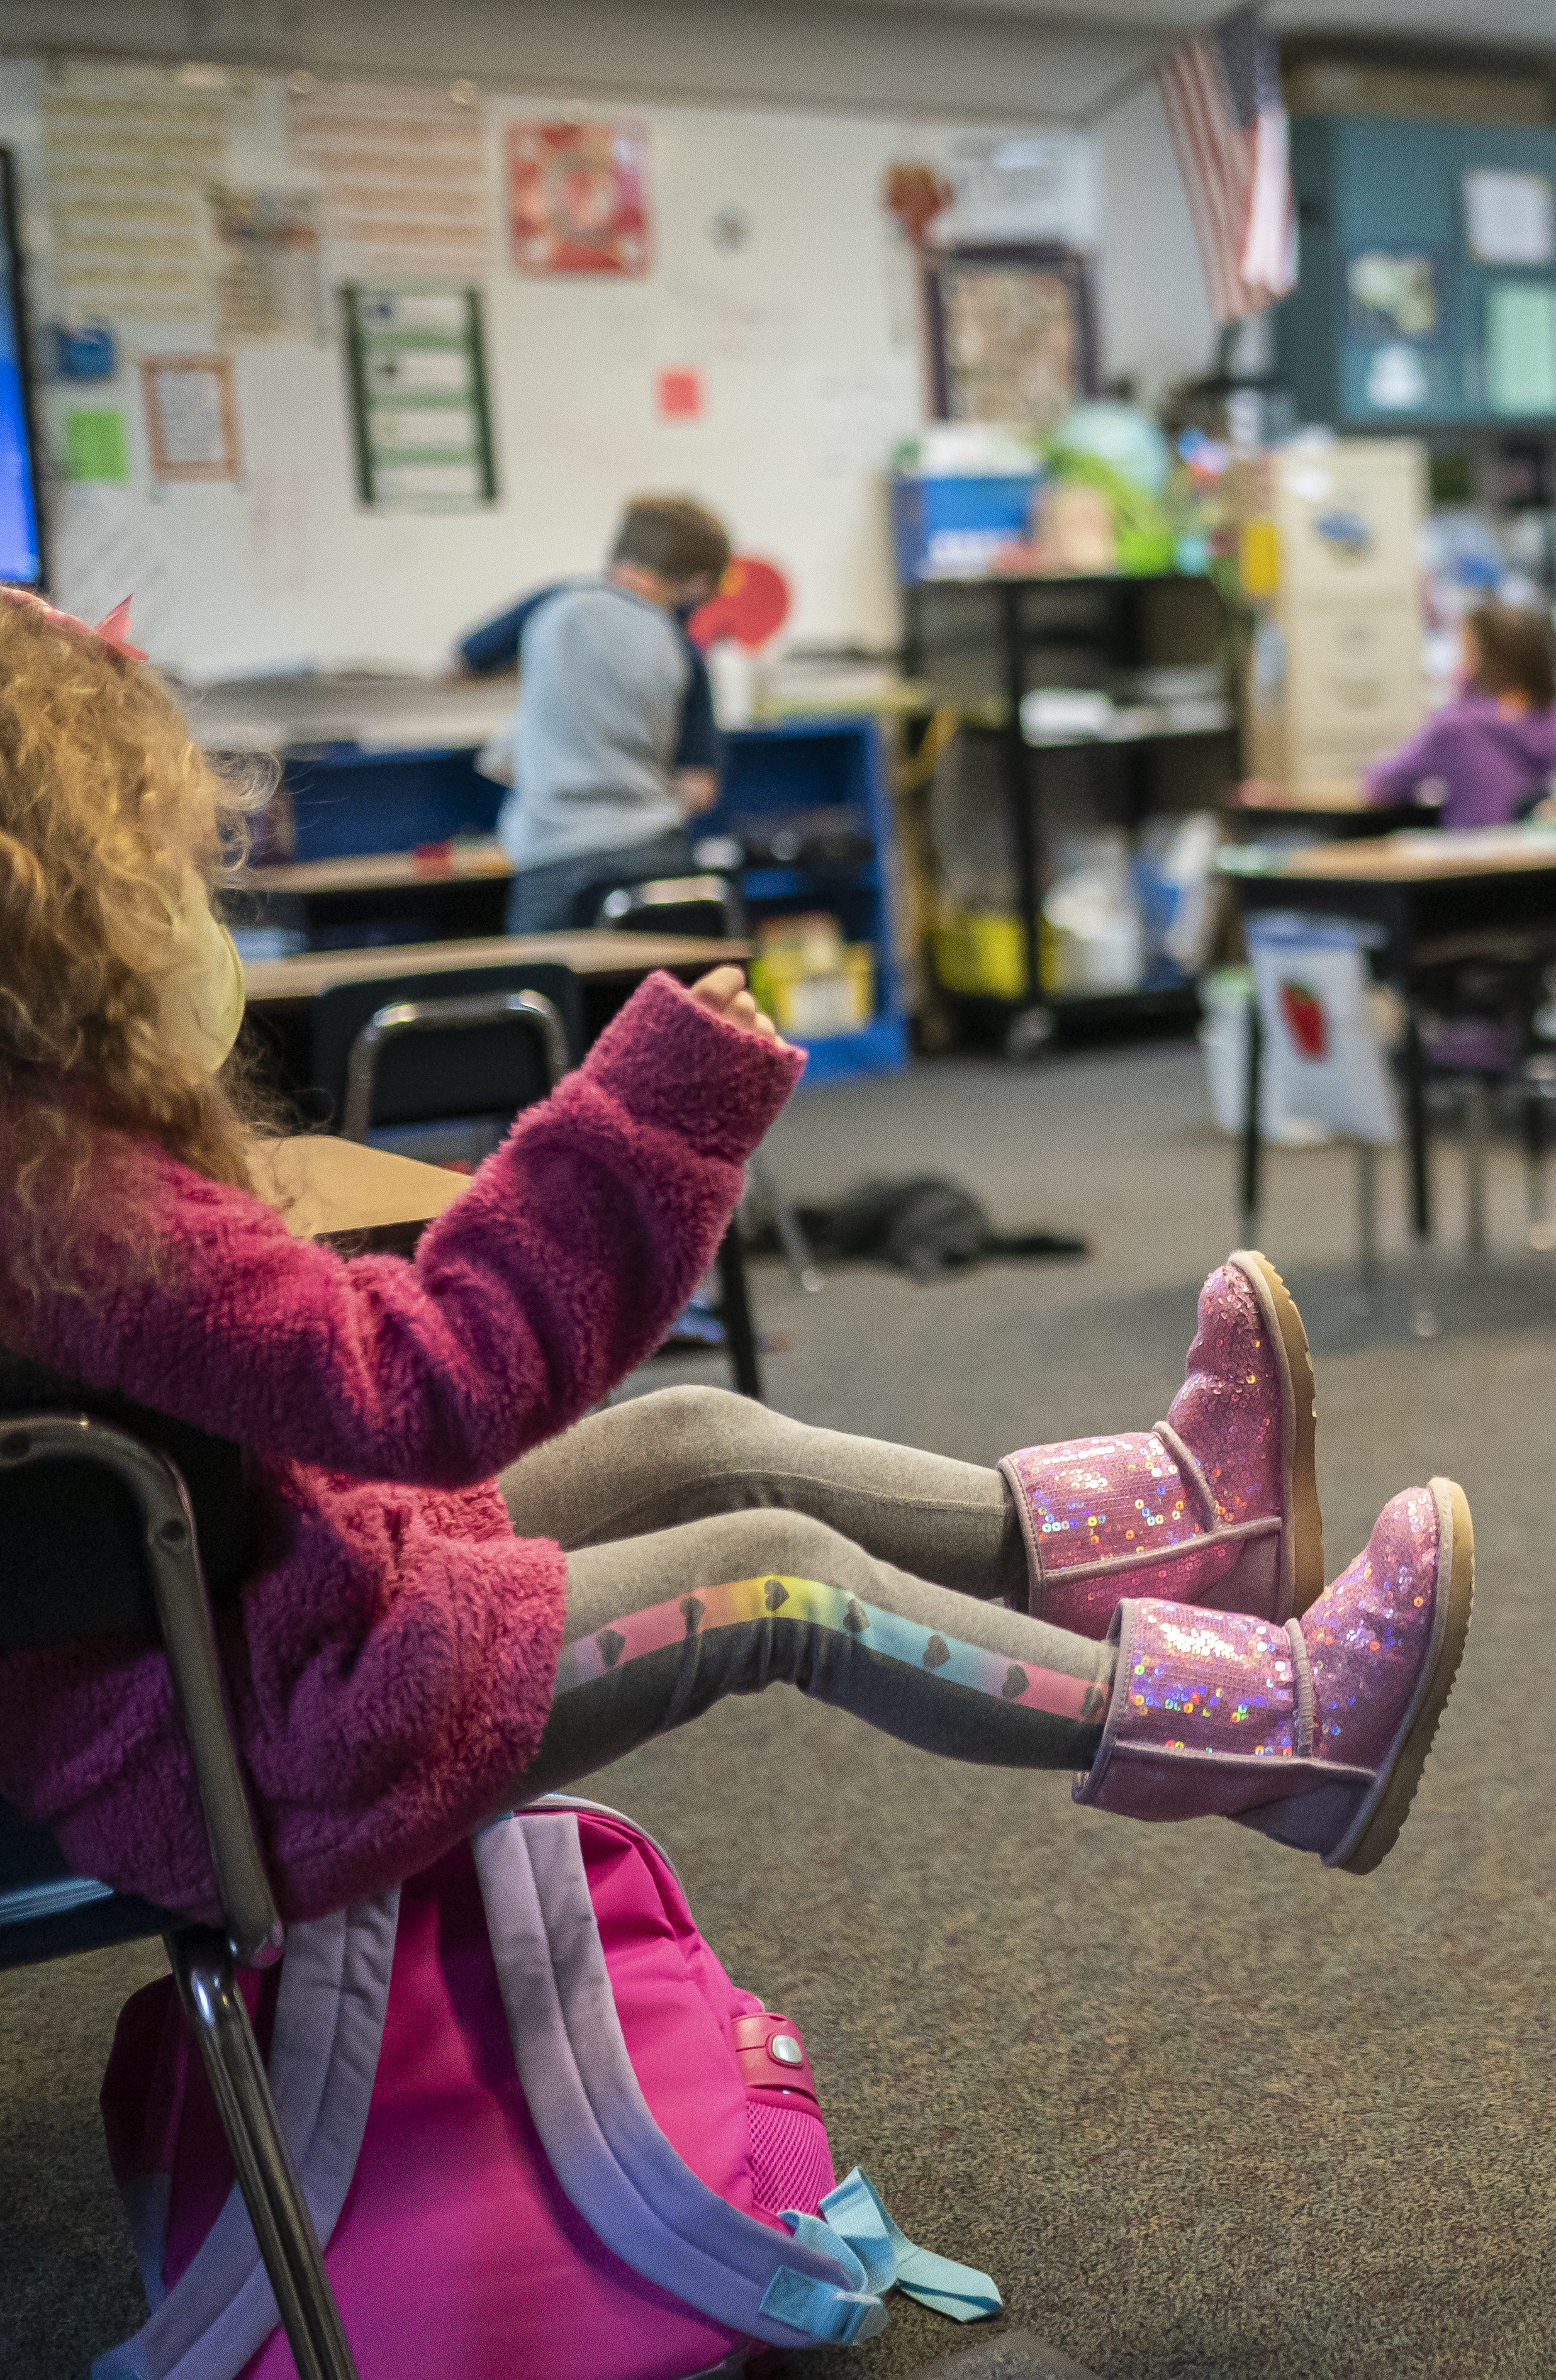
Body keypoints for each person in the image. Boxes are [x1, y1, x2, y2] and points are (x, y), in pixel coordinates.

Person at [0, 588, 1474, 1927]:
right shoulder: (77, 1207)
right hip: (266, 1744)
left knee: (704, 1438)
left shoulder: (50, 1166)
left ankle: (1183, 1532)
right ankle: (1286, 1742)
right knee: (776, 1580)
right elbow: (429, 1387)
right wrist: (652, 1113)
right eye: (165, 863)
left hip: (255, 1644)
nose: (196, 899)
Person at [458, 495, 731, 934]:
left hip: (549, 854)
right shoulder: (682, 649)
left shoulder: (551, 605)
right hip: (650, 856)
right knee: (652, 998)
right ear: (697, 581)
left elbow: (457, 667)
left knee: (549, 997)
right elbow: (700, 789)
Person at [1357, 602, 1556, 829]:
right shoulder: (1552, 720)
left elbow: (1382, 785)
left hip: (1472, 858)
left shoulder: (1457, 726)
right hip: (1541, 859)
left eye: (1463, 652)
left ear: (1478, 661)